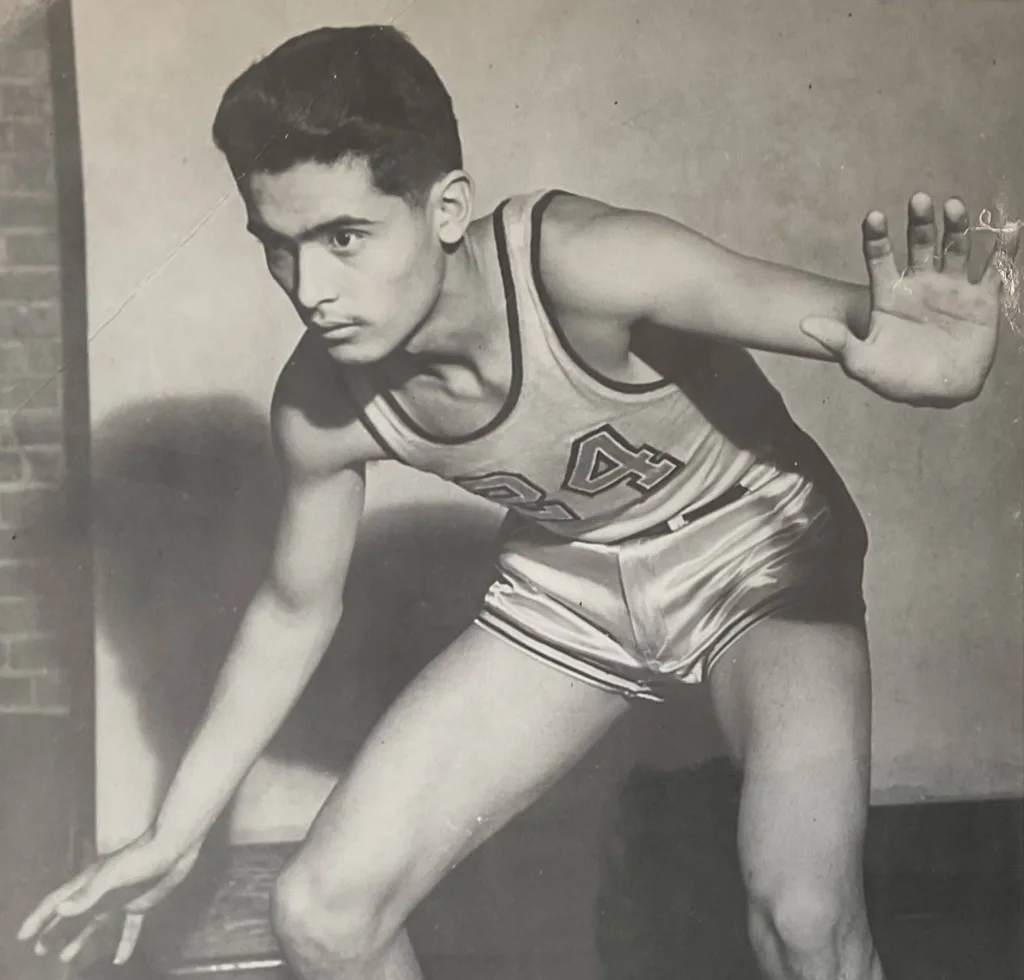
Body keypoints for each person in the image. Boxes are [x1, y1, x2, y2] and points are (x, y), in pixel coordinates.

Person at [19, 24, 1019, 980]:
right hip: (571, 585)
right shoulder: (322, 405)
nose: (307, 286)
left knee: (803, 915)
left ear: (447, 209)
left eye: (343, 237)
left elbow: (839, 317)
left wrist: (914, 345)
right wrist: (172, 833)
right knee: (322, 911)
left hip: (759, 552)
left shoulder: (582, 262)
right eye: (278, 246)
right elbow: (290, 611)